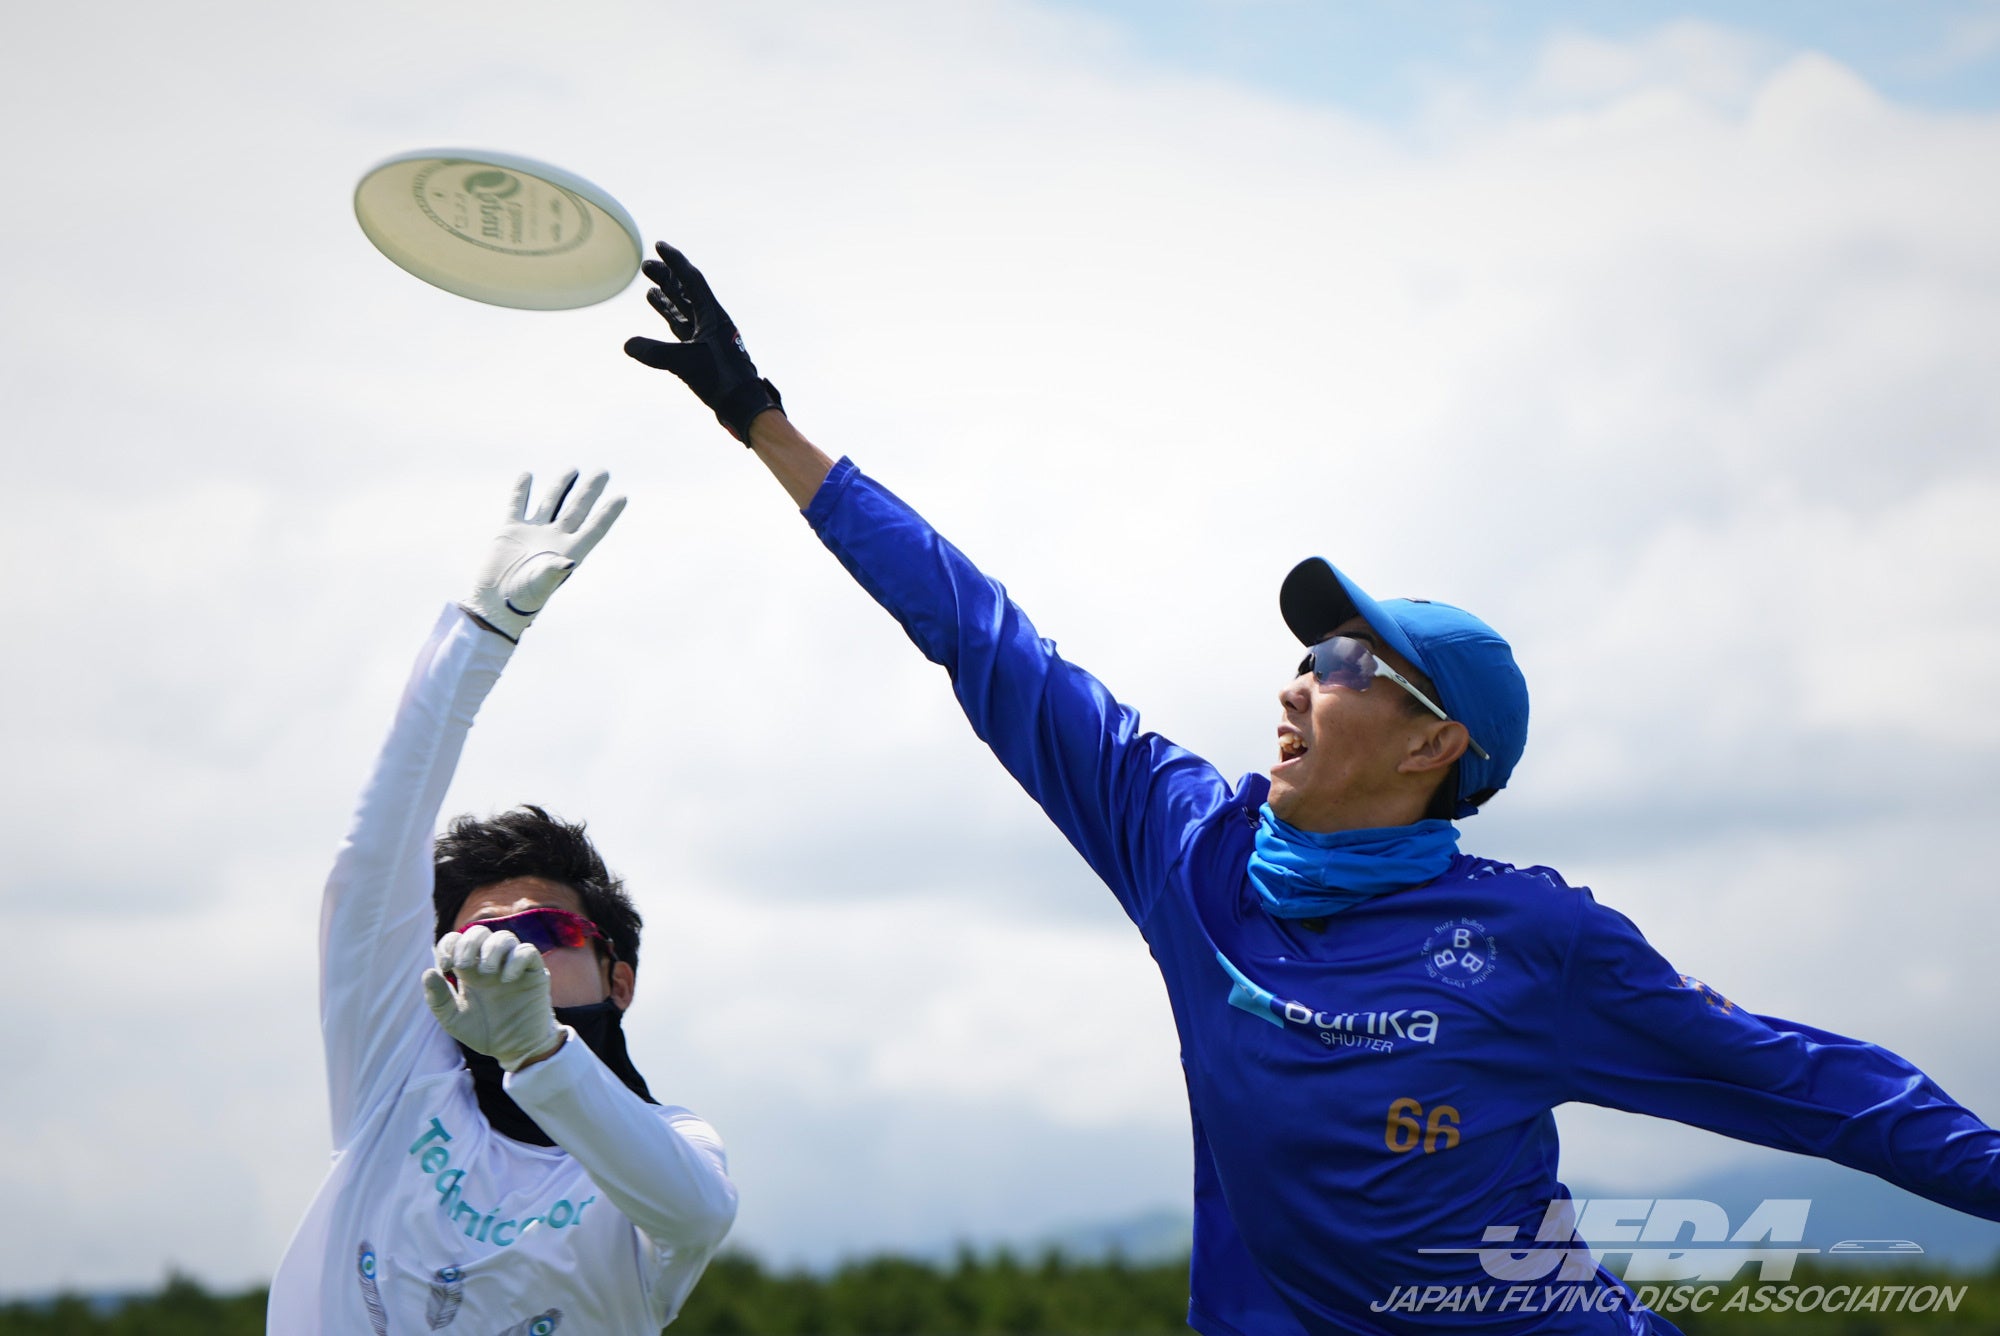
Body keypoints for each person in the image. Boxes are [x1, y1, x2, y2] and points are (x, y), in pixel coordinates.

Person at [623, 243, 2000, 1336]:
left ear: (1432, 745)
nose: (1296, 686)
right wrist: (765, 426)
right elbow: (984, 637)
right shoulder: (1186, 845)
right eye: (1302, 656)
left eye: (1343, 664)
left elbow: (1811, 1086)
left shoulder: (1539, 941)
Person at [269, 471, 738, 1334]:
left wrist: (537, 1051)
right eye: (477, 936)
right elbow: (372, 861)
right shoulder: (398, 1075)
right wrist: (482, 633)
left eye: (546, 928)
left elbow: (696, 1214)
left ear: (619, 979)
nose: (508, 950)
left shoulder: (670, 1148)